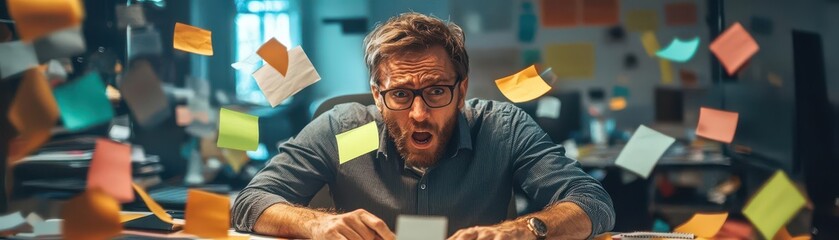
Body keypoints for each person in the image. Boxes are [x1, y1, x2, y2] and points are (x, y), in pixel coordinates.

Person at [232, 12, 615, 240]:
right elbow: (249, 202)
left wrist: (523, 231)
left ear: (462, 90)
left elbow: (592, 202)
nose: (418, 113)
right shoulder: (344, 130)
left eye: (436, 91)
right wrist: (315, 224)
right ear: (377, 95)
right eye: (399, 94)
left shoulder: (502, 129)